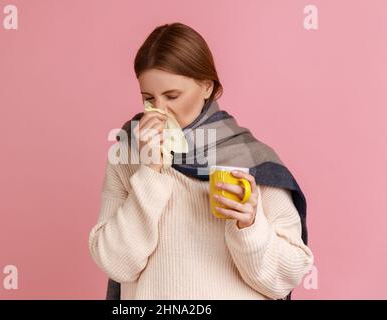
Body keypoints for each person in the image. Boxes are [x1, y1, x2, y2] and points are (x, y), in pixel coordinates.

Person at [89, 22, 314, 300]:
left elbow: (283, 278)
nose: (160, 110)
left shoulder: (249, 159)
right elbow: (116, 264)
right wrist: (149, 172)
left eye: (172, 96)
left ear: (206, 87)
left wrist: (250, 225)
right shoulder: (127, 155)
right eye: (149, 98)